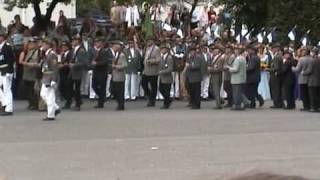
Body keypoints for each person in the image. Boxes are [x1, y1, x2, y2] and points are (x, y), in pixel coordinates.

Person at [39, 38, 60, 121]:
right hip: (46, 76)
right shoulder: (46, 54)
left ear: (48, 45)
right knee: (43, 94)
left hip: (50, 77)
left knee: (50, 96)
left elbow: (55, 68)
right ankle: (56, 108)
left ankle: (51, 114)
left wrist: (54, 80)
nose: (42, 46)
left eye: (44, 44)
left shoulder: (52, 54)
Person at [20, 37, 41, 110]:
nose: (30, 45)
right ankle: (31, 103)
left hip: (33, 73)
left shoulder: (38, 52)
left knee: (33, 89)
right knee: (28, 89)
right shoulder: (28, 51)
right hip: (27, 73)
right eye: (30, 43)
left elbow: (38, 63)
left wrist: (28, 64)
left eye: (32, 43)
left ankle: (35, 104)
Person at [68, 35, 88, 111]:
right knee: (69, 86)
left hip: (78, 72)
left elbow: (84, 62)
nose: (72, 42)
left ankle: (78, 104)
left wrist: (74, 65)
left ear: (78, 41)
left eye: (74, 41)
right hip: (72, 72)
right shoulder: (73, 50)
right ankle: (78, 101)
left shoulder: (81, 50)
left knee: (77, 88)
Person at [226, 45, 247, 111]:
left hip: (236, 79)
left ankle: (237, 105)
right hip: (242, 78)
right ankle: (245, 102)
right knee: (240, 92)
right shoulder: (243, 58)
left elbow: (235, 69)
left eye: (235, 50)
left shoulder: (237, 59)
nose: (234, 51)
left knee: (236, 93)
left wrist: (229, 68)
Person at [141, 37, 161, 107]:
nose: (148, 42)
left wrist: (151, 61)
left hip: (153, 70)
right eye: (147, 41)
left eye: (149, 40)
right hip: (146, 70)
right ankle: (150, 96)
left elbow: (158, 60)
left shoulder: (156, 49)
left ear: (153, 41)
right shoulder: (146, 48)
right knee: (143, 83)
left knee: (153, 86)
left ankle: (152, 100)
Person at [0, 30, 15, 116]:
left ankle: (9, 108)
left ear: (3, 37)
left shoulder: (7, 47)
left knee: (7, 89)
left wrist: (10, 71)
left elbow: (11, 59)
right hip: (1, 70)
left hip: (6, 70)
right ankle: (4, 102)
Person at [91, 37, 108, 108]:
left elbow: (105, 62)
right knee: (94, 85)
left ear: (101, 43)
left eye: (98, 42)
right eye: (96, 42)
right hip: (96, 72)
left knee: (102, 87)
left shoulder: (104, 51)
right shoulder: (94, 51)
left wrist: (96, 63)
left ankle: (100, 103)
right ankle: (102, 97)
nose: (97, 44)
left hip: (102, 72)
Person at [185, 45, 203, 109]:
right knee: (191, 91)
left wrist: (189, 66)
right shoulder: (190, 57)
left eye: (193, 51)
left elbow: (197, 66)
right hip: (190, 77)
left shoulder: (198, 57)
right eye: (191, 51)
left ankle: (197, 104)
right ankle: (193, 103)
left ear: (195, 51)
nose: (192, 52)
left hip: (196, 77)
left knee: (197, 92)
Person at [111, 40, 127, 111]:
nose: (113, 47)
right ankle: (119, 103)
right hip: (115, 75)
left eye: (115, 46)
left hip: (120, 76)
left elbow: (125, 65)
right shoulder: (115, 54)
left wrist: (116, 66)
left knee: (119, 91)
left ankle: (121, 105)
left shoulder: (122, 55)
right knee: (114, 90)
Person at [208, 45, 224, 109]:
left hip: (217, 76)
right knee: (212, 90)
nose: (214, 51)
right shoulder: (213, 57)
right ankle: (221, 100)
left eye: (215, 50)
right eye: (213, 50)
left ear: (218, 51)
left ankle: (218, 105)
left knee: (216, 90)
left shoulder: (220, 58)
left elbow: (220, 69)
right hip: (213, 75)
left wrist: (211, 69)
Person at [304, 47, 320, 112]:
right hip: (318, 80)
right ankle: (318, 106)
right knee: (318, 94)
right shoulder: (318, 60)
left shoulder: (312, 60)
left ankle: (314, 107)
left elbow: (309, 71)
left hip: (312, 80)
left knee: (312, 95)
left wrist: (303, 72)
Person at [58, 41, 73, 109]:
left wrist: (63, 65)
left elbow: (70, 62)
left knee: (68, 87)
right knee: (61, 88)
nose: (63, 48)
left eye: (65, 46)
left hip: (67, 72)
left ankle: (68, 102)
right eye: (62, 47)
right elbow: (59, 62)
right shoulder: (61, 54)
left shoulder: (70, 53)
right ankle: (69, 99)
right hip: (61, 72)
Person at [158, 43, 174, 109]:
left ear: (167, 50)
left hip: (167, 77)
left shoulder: (169, 58)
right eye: (161, 49)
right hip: (162, 78)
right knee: (161, 89)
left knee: (166, 91)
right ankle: (168, 100)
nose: (162, 50)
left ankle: (166, 104)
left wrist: (162, 72)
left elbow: (170, 69)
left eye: (163, 49)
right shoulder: (161, 57)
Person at [269, 43, 284, 108]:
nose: (272, 50)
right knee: (278, 89)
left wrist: (268, 69)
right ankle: (280, 103)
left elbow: (276, 68)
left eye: (273, 48)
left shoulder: (277, 57)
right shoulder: (279, 55)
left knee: (275, 89)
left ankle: (277, 103)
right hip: (278, 75)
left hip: (275, 75)